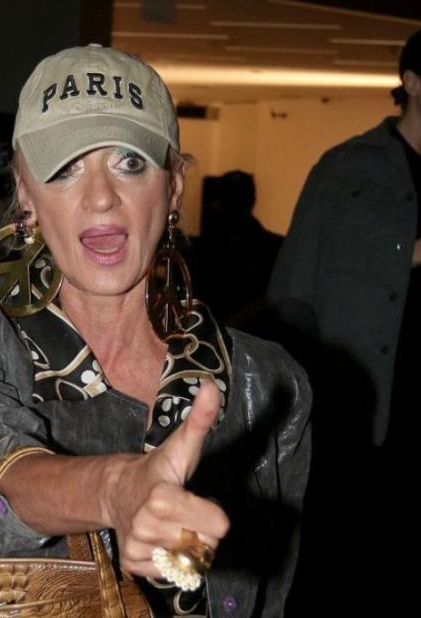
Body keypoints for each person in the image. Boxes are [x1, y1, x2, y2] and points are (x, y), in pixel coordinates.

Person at [0, 45, 311, 617]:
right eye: (65, 168)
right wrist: (116, 491)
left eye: (129, 162)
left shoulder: (264, 383)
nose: (100, 197)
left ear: (174, 186)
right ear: (25, 192)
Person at [267, 29, 421, 618]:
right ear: (411, 83)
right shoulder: (349, 170)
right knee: (349, 569)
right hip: (359, 422)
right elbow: (291, 295)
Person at [192, 170, 282, 331]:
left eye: (237, 200)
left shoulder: (275, 249)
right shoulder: (202, 251)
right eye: (230, 200)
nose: (233, 207)